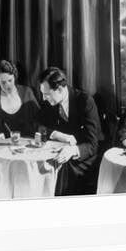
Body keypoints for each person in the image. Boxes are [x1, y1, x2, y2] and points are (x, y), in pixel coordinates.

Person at [37, 67, 100, 196]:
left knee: (62, 168)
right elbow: (35, 124)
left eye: (46, 94)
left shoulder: (85, 101)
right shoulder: (50, 102)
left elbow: (93, 144)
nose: (43, 98)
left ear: (60, 89)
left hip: (85, 157)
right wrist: (57, 135)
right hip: (62, 153)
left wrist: (73, 150)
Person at [0, 60, 40, 140]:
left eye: (10, 80)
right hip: (5, 148)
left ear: (14, 77)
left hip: (30, 145)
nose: (8, 85)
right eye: (3, 82)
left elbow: (40, 121)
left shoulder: (27, 92)